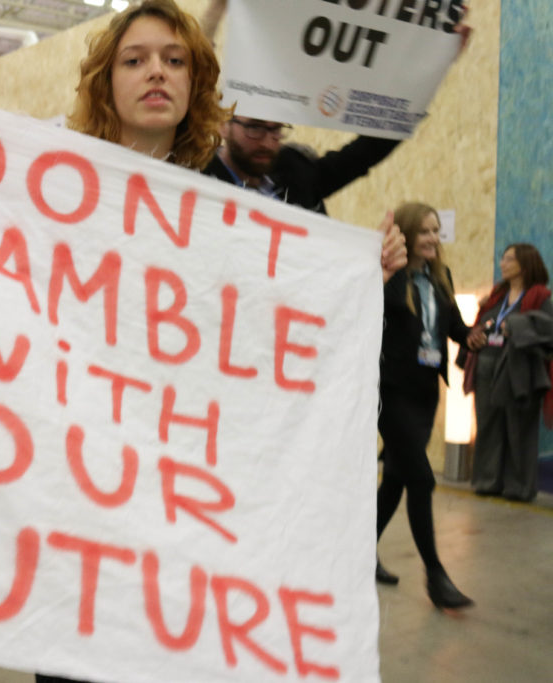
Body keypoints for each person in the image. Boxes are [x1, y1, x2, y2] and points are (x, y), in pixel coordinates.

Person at [0, 0, 405, 679]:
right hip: (75, 498)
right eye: (135, 59)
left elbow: (269, 314)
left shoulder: (227, 204)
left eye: (174, 60)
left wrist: (364, 270)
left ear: (195, 86)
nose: (156, 72)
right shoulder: (51, 171)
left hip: (183, 505)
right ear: (107, 81)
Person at [198, 0, 470, 214]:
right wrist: (215, 10)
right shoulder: (196, 172)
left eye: (276, 130)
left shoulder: (296, 173)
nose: (269, 142)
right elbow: (192, 88)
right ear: (223, 123)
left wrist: (432, 68)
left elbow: (367, 151)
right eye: (255, 128)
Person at [374, 202, 473, 609]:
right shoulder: (392, 278)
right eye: (425, 232)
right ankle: (436, 576)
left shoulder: (441, 278)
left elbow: (452, 327)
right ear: (409, 235)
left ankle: (359, 552)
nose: (433, 238)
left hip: (424, 394)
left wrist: (471, 336)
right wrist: (395, 264)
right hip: (392, 393)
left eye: (437, 231)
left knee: (396, 479)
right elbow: (389, 308)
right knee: (422, 479)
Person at [465, 244, 552, 501]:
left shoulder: (540, 297)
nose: (503, 263)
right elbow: (481, 324)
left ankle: (519, 487)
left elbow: (547, 331)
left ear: (525, 264)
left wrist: (516, 324)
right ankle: (487, 480)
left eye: (509, 259)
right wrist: (476, 335)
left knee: (519, 428)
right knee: (488, 426)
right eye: (503, 258)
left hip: (518, 372)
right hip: (486, 368)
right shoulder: (496, 295)